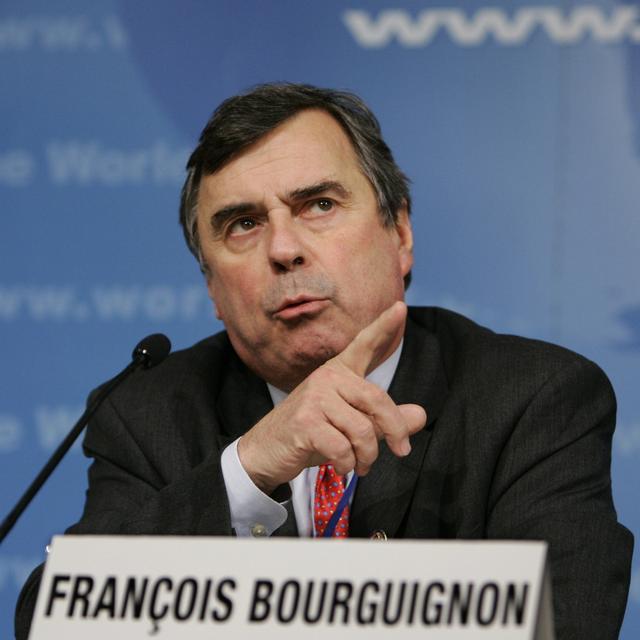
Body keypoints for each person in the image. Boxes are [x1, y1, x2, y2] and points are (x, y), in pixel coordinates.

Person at [16, 83, 632, 639]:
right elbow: (53, 622)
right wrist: (248, 468)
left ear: (401, 234)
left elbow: (567, 623)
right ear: (210, 287)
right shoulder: (147, 414)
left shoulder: (533, 399)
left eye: (319, 205)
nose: (284, 249)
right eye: (243, 224)